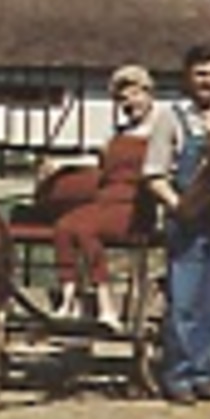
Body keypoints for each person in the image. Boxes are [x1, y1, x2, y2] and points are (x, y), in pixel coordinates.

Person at [141, 43, 210, 405]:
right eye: (201, 74)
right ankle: (178, 376)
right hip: (187, 223)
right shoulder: (171, 119)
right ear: (187, 77)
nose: (207, 81)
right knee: (184, 302)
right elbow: (154, 174)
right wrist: (179, 207)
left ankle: (204, 373)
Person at [45, 64, 161, 331]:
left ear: (148, 94)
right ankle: (70, 298)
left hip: (135, 204)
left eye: (134, 95)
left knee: (85, 230)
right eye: (122, 99)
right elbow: (96, 162)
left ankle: (106, 305)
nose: (129, 103)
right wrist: (63, 165)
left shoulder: (161, 131)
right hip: (105, 200)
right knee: (64, 227)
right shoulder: (116, 134)